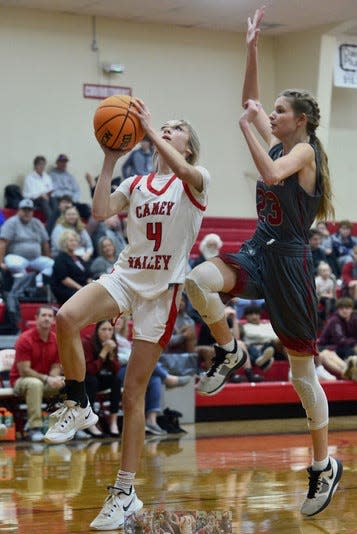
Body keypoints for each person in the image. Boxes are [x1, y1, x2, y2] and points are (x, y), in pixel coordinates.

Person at [185, 6, 342, 518]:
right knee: (196, 281)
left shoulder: (304, 154)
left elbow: (272, 173)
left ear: (300, 120)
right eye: (271, 111)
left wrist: (248, 131)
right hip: (259, 248)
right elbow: (249, 102)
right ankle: (229, 351)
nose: (270, 115)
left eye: (279, 111)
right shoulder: (281, 137)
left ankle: (323, 466)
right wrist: (251, 47)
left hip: (292, 265)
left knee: (303, 379)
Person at [43, 97, 210, 531]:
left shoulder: (195, 181)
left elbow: (188, 171)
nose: (167, 129)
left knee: (131, 396)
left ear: (189, 146)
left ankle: (125, 491)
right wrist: (109, 158)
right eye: (165, 126)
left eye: (177, 128)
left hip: (162, 294)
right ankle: (77, 402)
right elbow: (99, 212)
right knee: (65, 317)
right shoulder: (136, 182)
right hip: (125, 276)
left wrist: (151, 129)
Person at [9, 305, 64, 442]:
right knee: (35, 384)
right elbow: (24, 371)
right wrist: (47, 379)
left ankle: (67, 426)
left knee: (67, 383)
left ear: (53, 320)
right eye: (43, 315)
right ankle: (35, 428)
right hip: (21, 381)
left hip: (44, 382)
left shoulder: (56, 340)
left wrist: (54, 378)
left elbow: (56, 366)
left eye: (50, 316)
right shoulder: (25, 339)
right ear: (36, 318)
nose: (47, 318)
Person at [0, 198, 54, 288]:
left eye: (30, 210)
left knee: (52, 264)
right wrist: (0, 262)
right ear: (19, 210)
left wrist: (47, 257)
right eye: (24, 209)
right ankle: (24, 284)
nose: (27, 212)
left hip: (35, 258)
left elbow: (45, 243)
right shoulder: (11, 223)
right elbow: (3, 243)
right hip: (16, 257)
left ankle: (36, 283)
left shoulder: (37, 223)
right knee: (14, 265)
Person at [82, 320, 121, 437]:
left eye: (110, 330)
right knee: (92, 380)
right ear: (97, 331)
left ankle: (113, 421)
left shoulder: (113, 344)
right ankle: (90, 422)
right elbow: (90, 370)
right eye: (103, 329)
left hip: (102, 379)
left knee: (116, 380)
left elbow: (116, 370)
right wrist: (103, 352)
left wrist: (111, 354)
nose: (107, 333)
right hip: (86, 380)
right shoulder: (87, 343)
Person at [50, 230, 92, 305]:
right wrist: (80, 288)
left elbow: (88, 275)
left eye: (75, 240)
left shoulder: (79, 258)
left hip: (83, 289)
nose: (74, 242)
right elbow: (64, 279)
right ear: (64, 242)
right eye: (71, 240)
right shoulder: (60, 258)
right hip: (68, 291)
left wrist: (92, 286)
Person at [50, 154, 91, 219]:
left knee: (86, 207)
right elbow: (53, 191)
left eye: (65, 162)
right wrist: (66, 197)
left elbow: (77, 190)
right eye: (62, 162)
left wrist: (74, 199)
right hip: (60, 200)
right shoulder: (52, 175)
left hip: (72, 201)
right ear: (57, 163)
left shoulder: (69, 176)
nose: (64, 164)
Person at [22, 155, 54, 220]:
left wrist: (49, 194)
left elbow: (50, 189)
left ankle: (59, 222)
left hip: (46, 197)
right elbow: (27, 195)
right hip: (34, 200)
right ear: (35, 165)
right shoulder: (29, 178)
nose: (42, 166)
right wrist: (40, 195)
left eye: (44, 164)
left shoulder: (47, 177)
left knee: (55, 200)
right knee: (44, 201)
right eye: (40, 164)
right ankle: (52, 223)